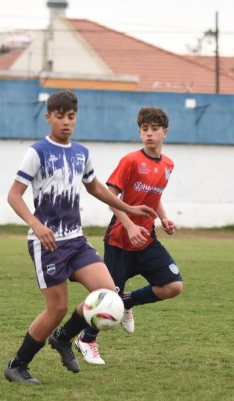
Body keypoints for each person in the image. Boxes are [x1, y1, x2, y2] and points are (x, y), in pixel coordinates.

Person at [3, 90, 157, 385]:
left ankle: (63, 338)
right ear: (48, 117)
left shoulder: (81, 153)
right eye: (59, 116)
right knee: (57, 308)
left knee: (109, 293)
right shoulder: (37, 152)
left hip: (75, 240)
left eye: (71, 117)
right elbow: (14, 195)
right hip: (47, 243)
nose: (66, 122)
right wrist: (36, 225)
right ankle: (17, 365)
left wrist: (129, 207)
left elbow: (96, 187)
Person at [74, 106, 183, 365]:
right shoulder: (130, 161)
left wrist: (164, 217)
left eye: (154, 129)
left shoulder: (168, 165)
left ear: (164, 132)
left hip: (147, 239)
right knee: (107, 297)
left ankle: (127, 302)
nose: (149, 134)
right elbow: (111, 198)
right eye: (144, 129)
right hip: (120, 240)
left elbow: (154, 198)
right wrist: (130, 226)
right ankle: (86, 340)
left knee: (173, 286)